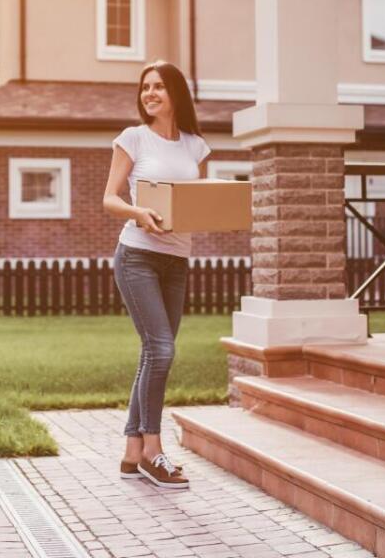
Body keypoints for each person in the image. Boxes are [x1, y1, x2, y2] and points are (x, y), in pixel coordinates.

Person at [102, 60, 210, 490]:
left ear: (175, 94)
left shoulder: (195, 146)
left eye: (159, 87)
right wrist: (138, 212)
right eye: (145, 87)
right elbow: (109, 198)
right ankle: (153, 449)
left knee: (154, 352)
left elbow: (196, 202)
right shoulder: (133, 139)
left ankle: (132, 454)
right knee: (161, 351)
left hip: (177, 260)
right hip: (138, 256)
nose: (150, 93)